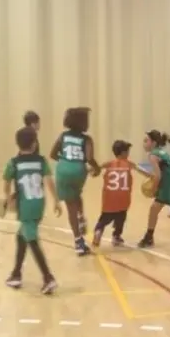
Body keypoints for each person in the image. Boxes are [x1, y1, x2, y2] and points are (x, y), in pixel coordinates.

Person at [1, 127, 59, 295]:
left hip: (25, 206)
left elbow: (6, 185)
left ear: (17, 144)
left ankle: (48, 277)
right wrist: (56, 200)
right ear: (34, 144)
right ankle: (16, 274)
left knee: (32, 240)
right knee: (21, 236)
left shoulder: (13, 163)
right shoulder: (41, 161)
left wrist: (8, 199)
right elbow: (49, 181)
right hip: (39, 205)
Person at [49, 107, 101, 256]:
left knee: (70, 204)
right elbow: (89, 158)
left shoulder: (63, 136)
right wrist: (97, 168)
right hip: (79, 170)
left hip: (63, 168)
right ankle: (81, 217)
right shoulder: (86, 139)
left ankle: (78, 241)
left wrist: (65, 161)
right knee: (76, 194)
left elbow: (52, 154)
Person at [92, 140, 146, 247]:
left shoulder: (109, 163)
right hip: (123, 199)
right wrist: (152, 176)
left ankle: (98, 231)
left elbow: (96, 168)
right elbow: (142, 170)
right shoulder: (129, 164)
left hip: (109, 199)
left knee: (104, 218)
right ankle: (116, 236)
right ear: (124, 153)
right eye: (128, 151)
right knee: (121, 218)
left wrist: (88, 170)